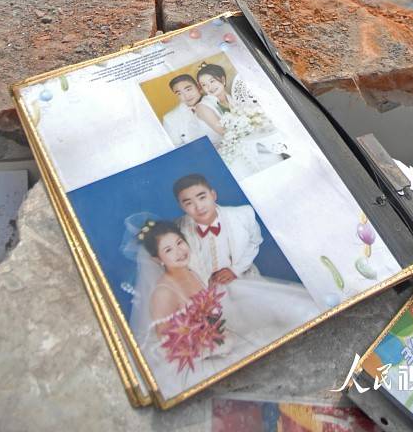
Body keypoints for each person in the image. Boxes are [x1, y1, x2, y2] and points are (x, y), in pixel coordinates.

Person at [132, 216, 319, 398]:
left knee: (276, 332)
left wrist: (216, 334)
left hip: (217, 342)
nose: (179, 252)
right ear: (158, 259)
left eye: (180, 242)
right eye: (169, 250)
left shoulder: (190, 272)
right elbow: (165, 344)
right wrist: (204, 344)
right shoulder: (163, 292)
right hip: (191, 360)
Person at [195, 63, 290, 178]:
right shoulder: (202, 107)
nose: (209, 87)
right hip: (229, 153)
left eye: (212, 81)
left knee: (277, 164)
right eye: (204, 85)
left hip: (251, 143)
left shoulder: (233, 98)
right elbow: (225, 132)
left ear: (223, 80)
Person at [173, 173, 262, 285]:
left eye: (202, 198)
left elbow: (254, 242)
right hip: (206, 289)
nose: (199, 207)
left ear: (213, 195)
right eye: (189, 203)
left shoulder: (243, 215)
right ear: (182, 207)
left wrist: (235, 270)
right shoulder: (177, 229)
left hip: (242, 279)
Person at [161, 74, 222, 148]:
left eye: (188, 89)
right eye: (179, 93)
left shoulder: (215, 98)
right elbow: (176, 148)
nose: (186, 96)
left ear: (198, 87)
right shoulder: (170, 119)